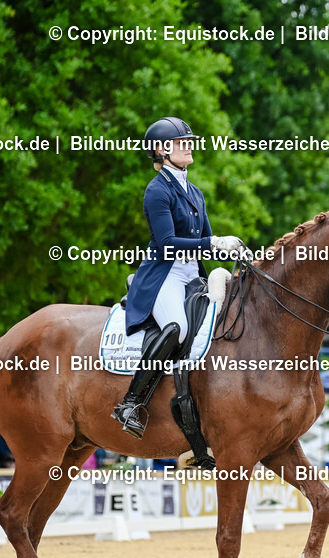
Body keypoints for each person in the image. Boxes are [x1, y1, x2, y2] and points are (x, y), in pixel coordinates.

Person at [113, 116, 252, 439]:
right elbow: (168, 244)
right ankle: (131, 402)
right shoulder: (157, 191)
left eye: (189, 141)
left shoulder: (195, 193)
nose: (189, 146)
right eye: (182, 142)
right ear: (162, 151)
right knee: (178, 327)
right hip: (164, 276)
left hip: (192, 276)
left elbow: (207, 245)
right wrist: (213, 242)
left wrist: (234, 250)